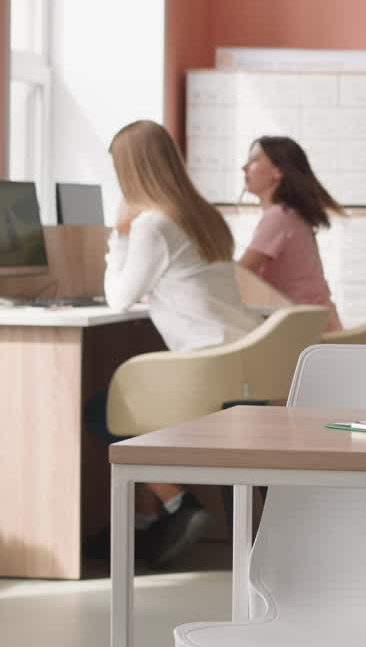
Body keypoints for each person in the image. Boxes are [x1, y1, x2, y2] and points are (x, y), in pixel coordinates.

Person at [85, 120, 262, 568]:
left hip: (202, 371)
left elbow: (119, 296)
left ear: (131, 171)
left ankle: (178, 502)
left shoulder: (151, 225)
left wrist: (119, 235)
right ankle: (145, 527)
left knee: (100, 410)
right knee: (130, 401)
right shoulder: (202, 215)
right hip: (241, 363)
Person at [238, 136, 344, 331]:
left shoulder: (279, 217)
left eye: (254, 160)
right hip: (317, 324)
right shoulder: (290, 215)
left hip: (306, 332)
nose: (244, 167)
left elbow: (241, 273)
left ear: (278, 171)